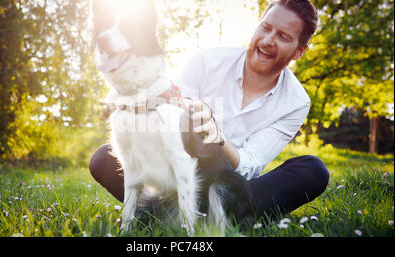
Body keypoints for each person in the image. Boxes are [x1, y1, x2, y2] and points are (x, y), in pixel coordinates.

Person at [89, 0, 329, 223]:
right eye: (265, 28)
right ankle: (197, 214)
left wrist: (219, 138)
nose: (268, 40)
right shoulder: (206, 61)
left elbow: (251, 163)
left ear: (298, 51)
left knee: (312, 170)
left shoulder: (295, 102)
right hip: (179, 177)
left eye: (283, 36)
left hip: (232, 189)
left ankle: (202, 214)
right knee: (103, 157)